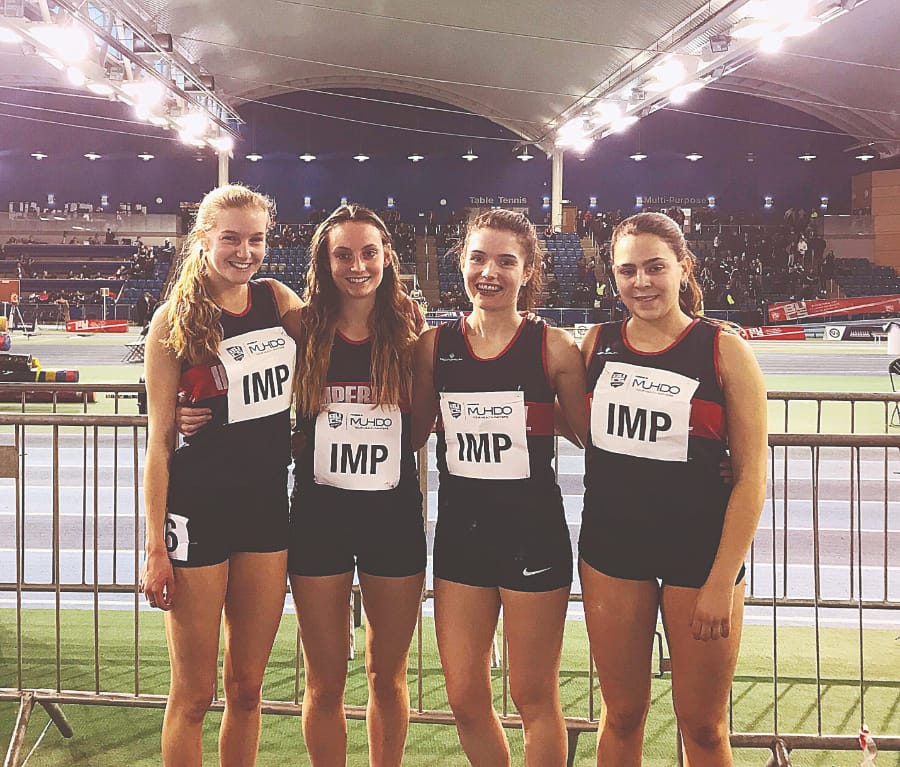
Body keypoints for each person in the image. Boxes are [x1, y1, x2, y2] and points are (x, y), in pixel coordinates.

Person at [577, 212, 766, 767]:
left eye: (655, 267)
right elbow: (570, 424)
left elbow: (751, 476)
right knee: (621, 714)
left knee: (703, 727)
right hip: (612, 551)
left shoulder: (724, 349)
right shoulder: (597, 343)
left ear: (684, 268)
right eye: (627, 270)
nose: (641, 282)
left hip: (699, 557)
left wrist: (720, 581)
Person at [412, 209, 588, 767]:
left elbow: (594, 436)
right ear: (461, 263)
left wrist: (712, 457)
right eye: (478, 259)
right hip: (461, 539)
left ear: (527, 269)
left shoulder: (553, 347)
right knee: (464, 697)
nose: (489, 272)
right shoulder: (433, 346)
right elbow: (408, 432)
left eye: (505, 262)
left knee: (533, 697)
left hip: (533, 536)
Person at [139, 184, 301, 767]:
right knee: (193, 693)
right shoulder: (173, 321)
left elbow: (339, 344)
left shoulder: (277, 300)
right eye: (230, 238)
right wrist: (155, 547)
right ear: (203, 239)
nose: (244, 252)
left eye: (255, 239)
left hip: (266, 512)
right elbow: (159, 443)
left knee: (248, 688)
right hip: (198, 512)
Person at [288, 205, 426, 767]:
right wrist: (189, 406)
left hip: (392, 519)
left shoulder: (411, 330)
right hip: (318, 518)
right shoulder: (301, 327)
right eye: (343, 254)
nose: (357, 266)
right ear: (325, 261)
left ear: (386, 257)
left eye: (369, 253)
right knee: (323, 680)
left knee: (385, 676)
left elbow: (428, 417)